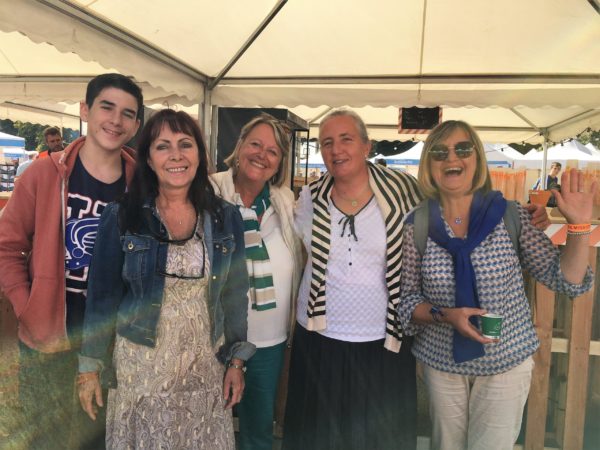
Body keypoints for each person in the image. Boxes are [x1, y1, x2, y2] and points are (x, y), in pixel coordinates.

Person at [397, 120, 595, 450]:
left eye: (463, 149)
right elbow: (408, 302)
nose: (451, 158)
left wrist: (579, 227)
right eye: (439, 152)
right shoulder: (417, 224)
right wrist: (447, 315)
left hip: (506, 364)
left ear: (477, 159)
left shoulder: (510, 215)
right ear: (428, 165)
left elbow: (567, 280)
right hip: (442, 365)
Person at [77, 109, 255, 450]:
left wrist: (236, 361)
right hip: (140, 370)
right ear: (148, 158)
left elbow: (234, 295)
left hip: (204, 368)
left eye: (185, 144)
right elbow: (102, 297)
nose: (176, 155)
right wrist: (89, 367)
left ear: (199, 155)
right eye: (163, 146)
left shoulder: (225, 217)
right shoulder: (122, 215)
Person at [0, 73, 143, 450]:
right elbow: (7, 246)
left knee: (96, 438)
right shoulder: (44, 173)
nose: (116, 120)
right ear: (85, 110)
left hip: (107, 339)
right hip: (45, 336)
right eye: (107, 107)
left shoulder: (141, 184)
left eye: (127, 113)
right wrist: (26, 305)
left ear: (136, 125)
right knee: (43, 440)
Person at [282, 109, 423, 450]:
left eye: (346, 139)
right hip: (320, 337)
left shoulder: (405, 192)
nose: (336, 149)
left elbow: (451, 207)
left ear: (366, 146)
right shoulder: (309, 198)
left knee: (377, 438)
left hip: (381, 340)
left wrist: (524, 215)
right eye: (327, 142)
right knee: (318, 436)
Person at [211, 114, 303, 450]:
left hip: (269, 341)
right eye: (255, 144)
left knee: (259, 431)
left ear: (280, 163)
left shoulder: (285, 202)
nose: (262, 155)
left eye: (273, 151)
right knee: (207, 423)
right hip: (216, 340)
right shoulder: (210, 192)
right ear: (239, 147)